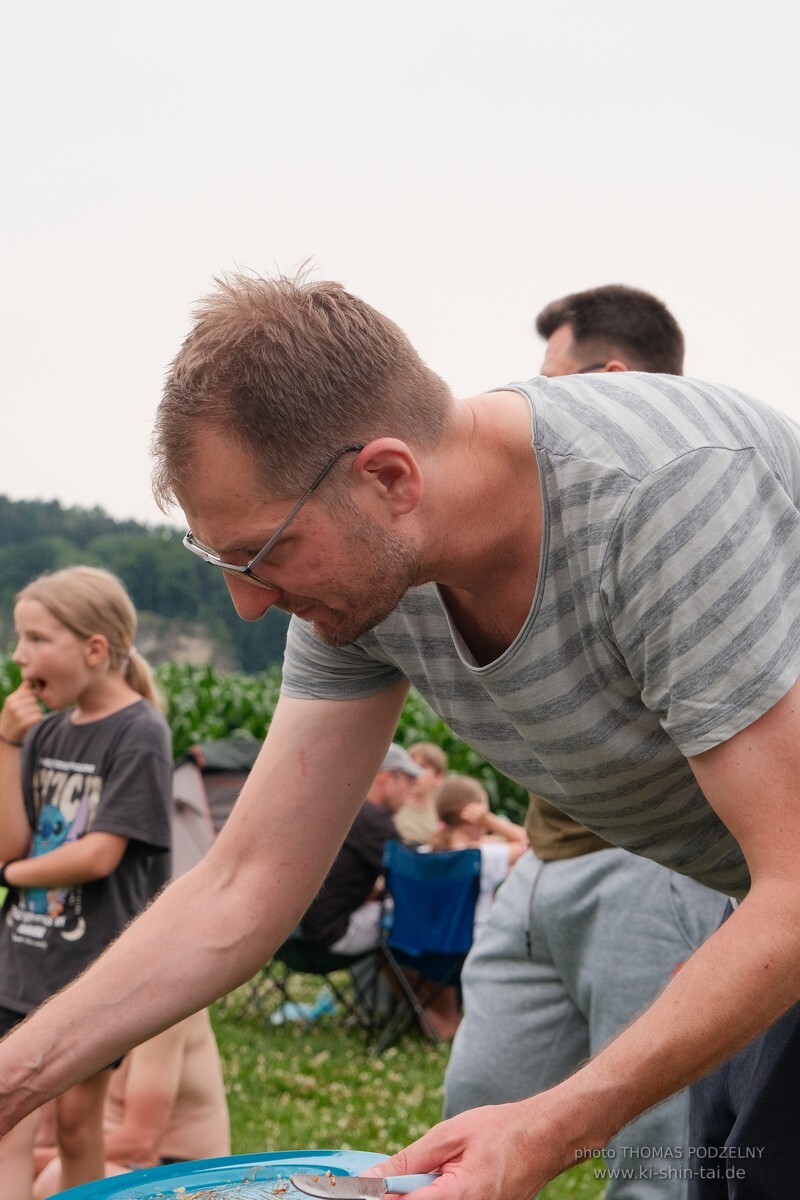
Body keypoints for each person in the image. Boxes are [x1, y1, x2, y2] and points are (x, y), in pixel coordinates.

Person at [2, 273, 800, 1200]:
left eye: (259, 554)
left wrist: (551, 1124)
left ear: (389, 477)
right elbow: (243, 882)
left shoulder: (660, 497)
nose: (249, 604)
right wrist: (13, 1077)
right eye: (222, 560)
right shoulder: (366, 576)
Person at [443, 284, 728, 1198]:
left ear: (609, 378)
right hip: (541, 864)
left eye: (550, 377)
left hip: (653, 878)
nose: (531, 399)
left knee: (656, 1163)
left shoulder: (686, 516)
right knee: (467, 1126)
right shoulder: (552, 521)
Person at [0, 565, 173, 1199]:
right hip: (22, 955)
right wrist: (5, 744)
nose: (19, 655)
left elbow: (100, 854)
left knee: (76, 1123)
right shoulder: (41, 731)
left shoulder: (138, 732)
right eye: (19, 639)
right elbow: (9, 839)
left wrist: (11, 875)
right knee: (6, 1117)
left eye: (38, 639)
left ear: (95, 650)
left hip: (93, 966)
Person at [31, 1008, 229, 1197]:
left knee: (53, 1178)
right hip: (112, 1159)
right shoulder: (82, 1007)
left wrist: (35, 1160)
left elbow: (140, 1146)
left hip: (189, 1179)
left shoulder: (165, 1012)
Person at [300, 742, 422, 953]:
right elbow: (413, 873)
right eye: (408, 781)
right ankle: (435, 985)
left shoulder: (343, 807)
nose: (409, 792)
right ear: (386, 778)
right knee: (419, 914)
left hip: (298, 934)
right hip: (332, 934)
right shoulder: (372, 819)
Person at [427, 774, 528, 937]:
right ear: (471, 819)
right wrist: (491, 821)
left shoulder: (425, 852)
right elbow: (530, 844)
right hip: (473, 945)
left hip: (428, 946)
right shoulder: (482, 857)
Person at [394, 742, 448, 844]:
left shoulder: (443, 812)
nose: (414, 772)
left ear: (438, 777)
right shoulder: (393, 805)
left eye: (422, 767)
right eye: (410, 766)